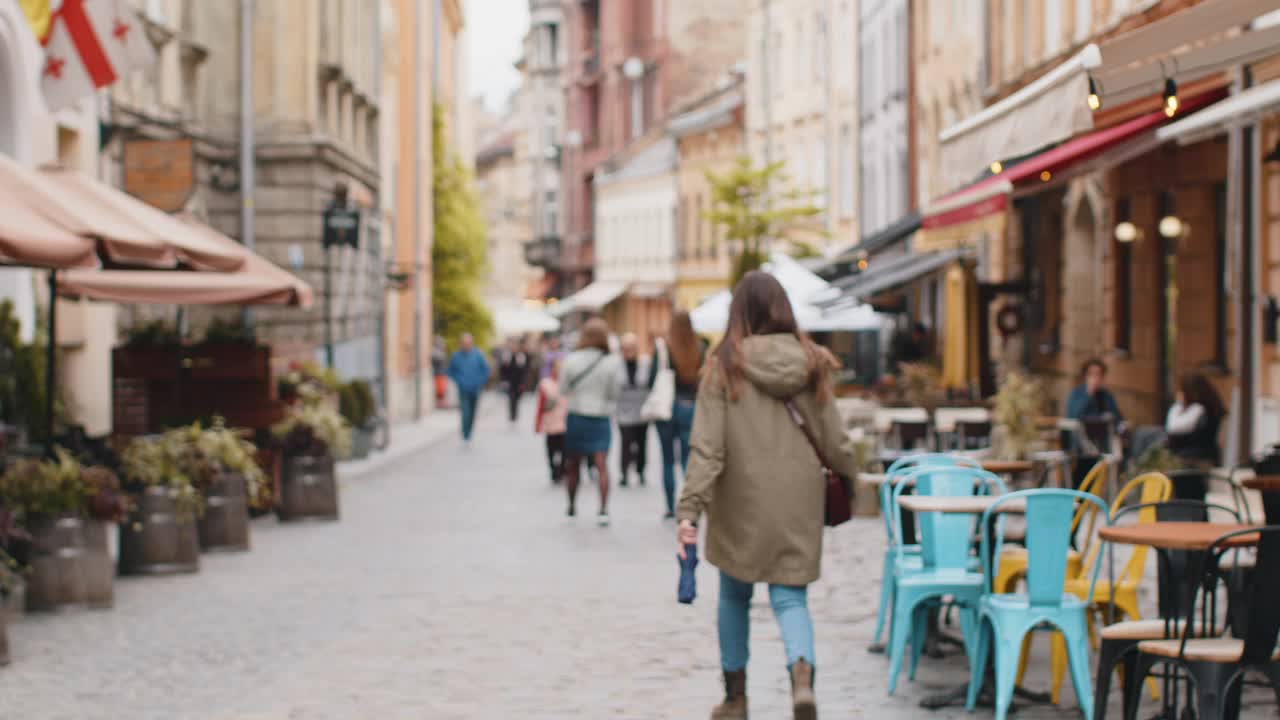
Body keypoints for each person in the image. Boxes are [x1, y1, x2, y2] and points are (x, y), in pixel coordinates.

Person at [676, 272, 857, 720]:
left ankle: (736, 698)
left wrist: (689, 511)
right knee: (791, 597)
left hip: (739, 501)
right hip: (798, 498)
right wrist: (851, 481)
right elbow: (835, 440)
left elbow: (708, 449)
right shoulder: (812, 362)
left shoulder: (724, 366)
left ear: (739, 313)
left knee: (734, 596)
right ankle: (801, 677)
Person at [561, 318, 622, 525]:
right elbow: (615, 393)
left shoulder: (572, 359)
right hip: (600, 418)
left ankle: (571, 507)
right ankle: (603, 510)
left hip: (577, 416)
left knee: (573, 465)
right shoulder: (612, 362)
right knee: (602, 465)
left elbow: (563, 389)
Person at [655, 311, 703, 520]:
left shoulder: (665, 348)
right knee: (687, 459)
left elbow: (652, 380)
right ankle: (689, 505)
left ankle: (669, 506)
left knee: (667, 460)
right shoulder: (701, 348)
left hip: (667, 409)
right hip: (690, 407)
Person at [615, 332, 655, 488]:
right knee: (626, 443)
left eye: (631, 347)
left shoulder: (646, 362)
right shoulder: (616, 364)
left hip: (642, 411)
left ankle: (640, 471)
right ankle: (624, 473)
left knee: (641, 443)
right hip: (623, 411)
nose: (628, 351)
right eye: (625, 348)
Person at [1166, 371, 1225, 465]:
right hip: (1206, 455)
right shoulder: (1211, 407)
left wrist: (1179, 405)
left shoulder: (1198, 410)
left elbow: (1174, 428)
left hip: (1191, 458)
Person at [446, 333, 490, 443]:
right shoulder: (456, 356)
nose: (466, 345)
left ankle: (469, 431)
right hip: (463, 389)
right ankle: (465, 433)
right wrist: (459, 381)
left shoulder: (478, 355)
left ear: (471, 343)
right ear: (461, 344)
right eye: (464, 343)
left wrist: (480, 381)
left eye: (468, 343)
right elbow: (450, 371)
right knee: (465, 411)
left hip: (475, 388)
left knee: (473, 411)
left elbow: (485, 369)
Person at [535, 359, 568, 484]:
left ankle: (561, 470)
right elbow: (540, 406)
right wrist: (538, 424)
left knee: (565, 450)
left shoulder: (567, 383)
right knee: (551, 449)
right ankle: (554, 470)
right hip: (550, 422)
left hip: (565, 422)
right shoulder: (545, 384)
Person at [1064, 358, 1123, 423]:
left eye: (1099, 374)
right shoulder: (1077, 393)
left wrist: (1112, 416)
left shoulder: (1106, 395)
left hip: (1102, 430)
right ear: (1085, 376)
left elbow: (1118, 417)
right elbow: (1072, 416)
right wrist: (1089, 394)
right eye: (1092, 374)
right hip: (1081, 431)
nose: (1096, 378)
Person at [499, 338, 532, 423]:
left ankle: (515, 413)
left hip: (518, 381)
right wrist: (503, 380)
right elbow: (502, 369)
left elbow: (525, 370)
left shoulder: (521, 356)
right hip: (510, 381)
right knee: (511, 397)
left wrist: (523, 382)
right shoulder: (507, 355)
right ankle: (512, 414)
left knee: (517, 398)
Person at [431, 337, 449, 408]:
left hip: (442, 373)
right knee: (440, 390)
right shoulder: (436, 353)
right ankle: (440, 404)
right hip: (439, 373)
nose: (443, 345)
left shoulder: (440, 353)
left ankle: (441, 403)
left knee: (442, 390)